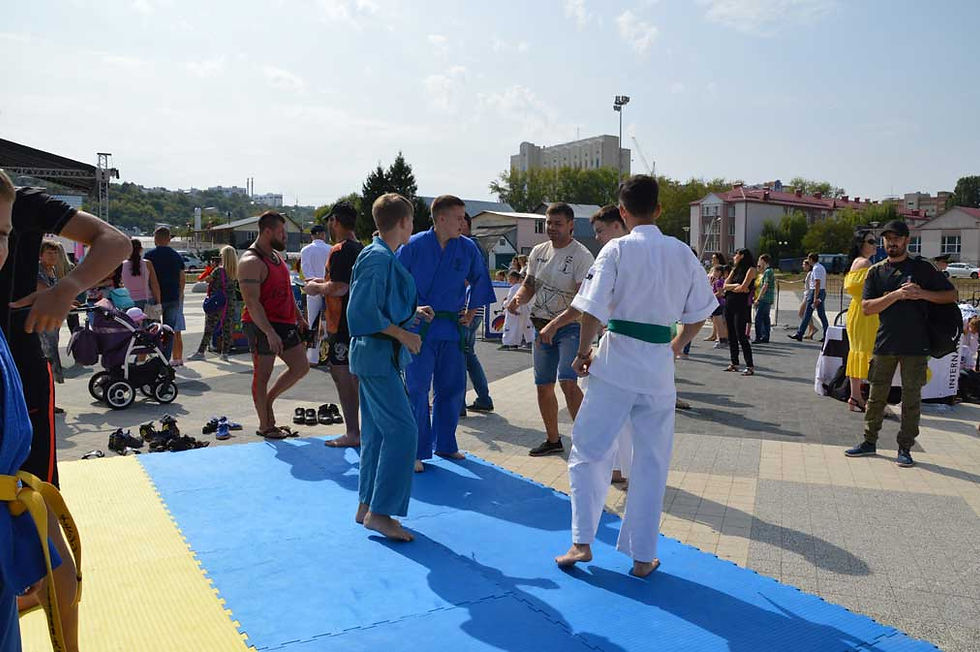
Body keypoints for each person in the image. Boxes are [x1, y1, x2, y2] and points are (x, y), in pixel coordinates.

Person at [554, 175, 716, 577]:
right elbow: (700, 313)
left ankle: (581, 542)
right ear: (659, 209)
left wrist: (582, 353)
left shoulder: (617, 249)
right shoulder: (682, 252)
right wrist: (675, 346)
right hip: (658, 369)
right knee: (651, 462)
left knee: (590, 450)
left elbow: (592, 309)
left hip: (616, 363)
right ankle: (643, 556)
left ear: (622, 213)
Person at [3, 172, 130, 651]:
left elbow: (114, 241)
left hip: (17, 381)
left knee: (41, 520)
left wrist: (67, 287)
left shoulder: (20, 200)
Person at [347, 193, 434, 542]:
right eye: (412, 221)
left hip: (377, 356)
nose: (413, 227)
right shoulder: (378, 258)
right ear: (403, 222)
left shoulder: (382, 256)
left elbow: (379, 306)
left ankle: (366, 505)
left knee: (378, 433)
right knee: (403, 431)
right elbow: (361, 312)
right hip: (376, 356)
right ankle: (381, 513)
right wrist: (404, 335)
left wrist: (411, 314)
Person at [844, 220, 957, 467]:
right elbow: (867, 308)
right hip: (885, 342)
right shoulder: (876, 271)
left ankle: (905, 447)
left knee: (911, 398)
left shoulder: (922, 268)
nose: (891, 243)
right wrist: (896, 295)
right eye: (887, 239)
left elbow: (951, 295)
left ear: (907, 240)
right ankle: (869, 441)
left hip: (916, 344)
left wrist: (921, 293)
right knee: (876, 395)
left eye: (896, 238)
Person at [397, 195, 494, 472]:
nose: (463, 223)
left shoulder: (467, 247)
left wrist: (472, 311)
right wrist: (410, 309)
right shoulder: (413, 245)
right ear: (441, 219)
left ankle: (446, 443)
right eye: (458, 218)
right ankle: (415, 450)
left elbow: (480, 279)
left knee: (452, 387)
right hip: (419, 328)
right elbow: (395, 282)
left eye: (464, 218)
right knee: (417, 389)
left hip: (451, 328)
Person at [540, 205, 635, 483]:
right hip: (653, 347)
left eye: (600, 231)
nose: (597, 237)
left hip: (620, 343)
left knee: (607, 408)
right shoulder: (662, 252)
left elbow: (587, 306)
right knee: (636, 414)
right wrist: (676, 345)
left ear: (618, 224)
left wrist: (581, 352)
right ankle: (625, 468)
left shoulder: (611, 255)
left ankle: (613, 466)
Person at [507, 202, 594, 457]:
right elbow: (529, 284)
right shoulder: (538, 251)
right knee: (543, 385)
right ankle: (553, 440)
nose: (552, 228)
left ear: (571, 225)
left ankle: (588, 443)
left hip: (570, 327)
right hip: (541, 325)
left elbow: (582, 302)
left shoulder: (582, 256)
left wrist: (556, 325)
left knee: (568, 381)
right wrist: (518, 299)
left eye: (558, 223)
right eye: (548, 223)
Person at [238, 211, 310, 439]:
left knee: (301, 367)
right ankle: (265, 425)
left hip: (284, 322)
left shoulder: (277, 257)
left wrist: (299, 316)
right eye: (281, 232)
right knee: (263, 375)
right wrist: (268, 332)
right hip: (261, 324)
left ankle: (268, 400)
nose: (285, 236)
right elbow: (252, 303)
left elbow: (286, 290)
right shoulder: (251, 262)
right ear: (267, 232)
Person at [303, 202, 364, 447]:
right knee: (355, 376)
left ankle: (353, 432)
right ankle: (359, 430)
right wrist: (322, 281)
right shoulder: (361, 248)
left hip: (341, 325)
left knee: (342, 375)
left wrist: (315, 287)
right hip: (357, 322)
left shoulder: (340, 250)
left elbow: (339, 287)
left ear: (334, 221)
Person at [459, 213, 495, 414]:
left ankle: (459, 403)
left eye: (460, 220)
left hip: (467, 309)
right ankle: (483, 397)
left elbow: (470, 278)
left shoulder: (468, 244)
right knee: (468, 355)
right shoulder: (474, 244)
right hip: (473, 308)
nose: (457, 224)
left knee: (459, 356)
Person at [843, 231, 879, 412]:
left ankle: (855, 396)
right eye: (871, 241)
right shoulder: (865, 264)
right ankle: (869, 399)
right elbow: (875, 289)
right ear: (861, 244)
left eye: (875, 241)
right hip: (866, 313)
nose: (875, 244)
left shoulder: (855, 263)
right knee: (871, 355)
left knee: (857, 352)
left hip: (856, 311)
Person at [189, 245, 239, 361]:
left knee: (209, 328)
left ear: (224, 257)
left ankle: (201, 352)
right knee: (227, 328)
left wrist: (211, 268)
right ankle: (224, 354)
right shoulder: (235, 271)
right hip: (230, 302)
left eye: (221, 255)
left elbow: (205, 279)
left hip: (217, 302)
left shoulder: (218, 270)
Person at [144, 226, 186, 364]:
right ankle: (165, 361)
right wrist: (180, 294)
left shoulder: (149, 256)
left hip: (153, 299)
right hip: (173, 298)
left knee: (151, 329)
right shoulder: (176, 256)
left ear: (155, 239)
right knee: (169, 331)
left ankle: (153, 357)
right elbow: (182, 278)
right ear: (169, 239)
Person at [722, 249, 757, 376]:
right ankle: (734, 363)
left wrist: (738, 287)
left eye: (736, 254)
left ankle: (749, 366)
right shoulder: (735, 269)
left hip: (740, 306)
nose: (734, 257)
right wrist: (735, 285)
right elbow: (725, 285)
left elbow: (744, 287)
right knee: (731, 335)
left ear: (742, 256)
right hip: (729, 303)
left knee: (741, 335)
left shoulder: (751, 269)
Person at [37, 241, 66, 385]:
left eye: (55, 253)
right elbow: (45, 291)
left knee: (52, 351)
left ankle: (51, 390)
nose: (53, 256)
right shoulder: (37, 270)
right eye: (49, 253)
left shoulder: (52, 270)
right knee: (47, 355)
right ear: (41, 255)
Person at [789, 252, 829, 342]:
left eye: (808, 259)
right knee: (821, 314)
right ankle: (827, 334)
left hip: (815, 291)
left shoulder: (816, 268)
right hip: (820, 291)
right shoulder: (821, 267)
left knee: (807, 313)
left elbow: (817, 282)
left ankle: (800, 333)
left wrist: (815, 297)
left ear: (811, 259)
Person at [300, 222, 331, 326]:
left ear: (312, 235)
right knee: (328, 321)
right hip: (328, 286)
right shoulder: (331, 249)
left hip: (312, 287)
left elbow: (305, 270)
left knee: (312, 321)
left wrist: (313, 282)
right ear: (322, 234)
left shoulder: (305, 250)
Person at [120, 239, 161, 312]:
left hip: (128, 302)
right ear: (141, 249)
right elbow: (154, 284)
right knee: (149, 319)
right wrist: (158, 302)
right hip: (147, 301)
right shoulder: (147, 264)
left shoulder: (122, 265)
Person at [500, 270, 531, 350]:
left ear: (513, 278)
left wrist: (504, 304)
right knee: (520, 327)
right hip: (523, 310)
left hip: (514, 310)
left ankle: (508, 343)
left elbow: (511, 300)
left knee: (509, 326)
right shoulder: (523, 287)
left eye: (509, 278)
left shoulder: (514, 288)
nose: (508, 280)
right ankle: (518, 343)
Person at [753, 254, 775, 344]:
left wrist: (758, 298)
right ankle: (766, 336)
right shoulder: (770, 271)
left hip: (764, 298)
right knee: (766, 317)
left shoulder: (767, 272)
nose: (759, 263)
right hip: (769, 298)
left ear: (763, 261)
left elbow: (765, 285)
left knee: (758, 318)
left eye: (760, 260)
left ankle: (758, 337)